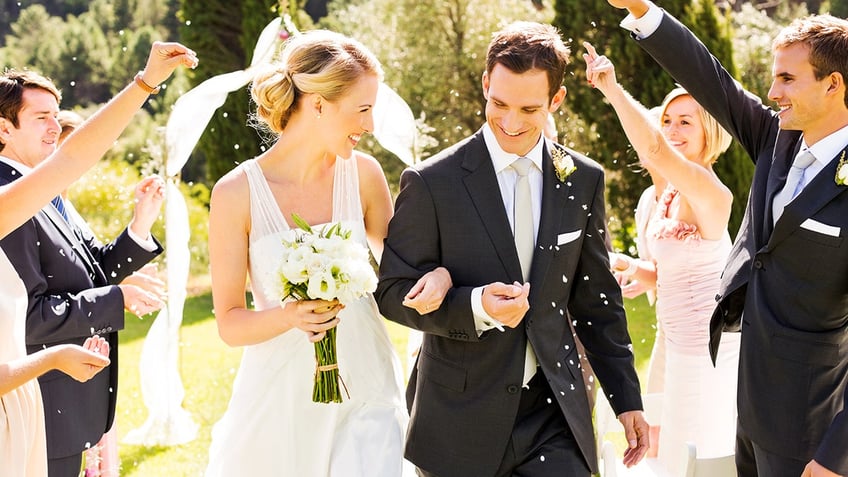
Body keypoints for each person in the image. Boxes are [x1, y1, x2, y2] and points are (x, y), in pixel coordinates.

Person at [375, 21, 649, 477]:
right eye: (498, 103)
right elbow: (391, 292)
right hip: (460, 420)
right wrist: (475, 304)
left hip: (553, 412)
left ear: (556, 100)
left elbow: (597, 300)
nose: (510, 122)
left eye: (529, 108)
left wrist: (627, 399)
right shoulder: (431, 182)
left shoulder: (582, 179)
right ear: (485, 83)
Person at [609, 1, 848, 476]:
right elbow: (709, 77)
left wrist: (834, 456)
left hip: (809, 420)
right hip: (745, 398)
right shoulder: (774, 139)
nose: (771, 91)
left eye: (787, 79)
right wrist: (642, 9)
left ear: (834, 84)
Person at [204, 30, 448, 476]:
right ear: (317, 104)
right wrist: (290, 316)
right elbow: (229, 323)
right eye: (362, 109)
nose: (370, 125)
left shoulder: (364, 175)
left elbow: (404, 271)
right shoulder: (236, 194)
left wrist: (439, 277)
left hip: (367, 385)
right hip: (280, 400)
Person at [0, 41, 198, 476]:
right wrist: (115, 300)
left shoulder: (50, 197)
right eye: (41, 118)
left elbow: (92, 272)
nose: (56, 127)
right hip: (38, 404)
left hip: (73, 404)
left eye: (57, 114)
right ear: (3, 130)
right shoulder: (10, 203)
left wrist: (138, 226)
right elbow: (28, 318)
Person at [584, 43, 739, 474]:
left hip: (706, 350)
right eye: (666, 120)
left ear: (710, 130)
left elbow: (653, 150)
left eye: (685, 122)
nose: (671, 129)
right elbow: (674, 267)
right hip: (672, 342)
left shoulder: (711, 192)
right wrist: (636, 269)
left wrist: (612, 90)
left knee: (689, 456)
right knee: (663, 450)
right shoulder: (666, 194)